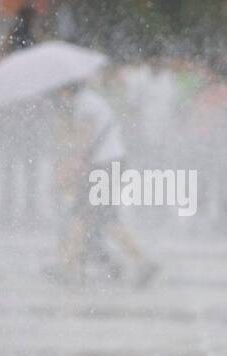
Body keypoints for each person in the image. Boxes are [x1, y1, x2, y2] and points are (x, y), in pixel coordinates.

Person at [47, 82, 159, 287]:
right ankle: (140, 261)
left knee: (85, 215)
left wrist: (73, 162)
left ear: (65, 89)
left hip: (103, 166)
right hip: (110, 164)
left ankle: (69, 267)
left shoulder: (84, 103)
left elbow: (84, 137)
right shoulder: (89, 100)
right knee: (99, 217)